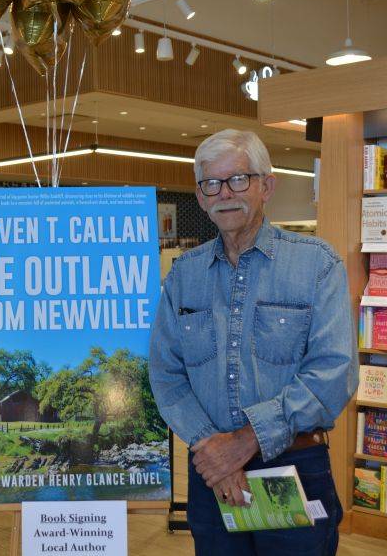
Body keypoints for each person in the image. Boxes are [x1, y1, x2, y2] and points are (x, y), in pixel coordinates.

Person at [148, 129, 357, 555]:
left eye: (238, 179)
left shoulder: (317, 264)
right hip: (213, 478)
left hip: (294, 468)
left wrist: (245, 442)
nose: (225, 193)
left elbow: (333, 372)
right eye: (212, 183)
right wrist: (214, 449)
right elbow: (166, 374)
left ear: (267, 186)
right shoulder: (183, 276)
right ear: (201, 197)